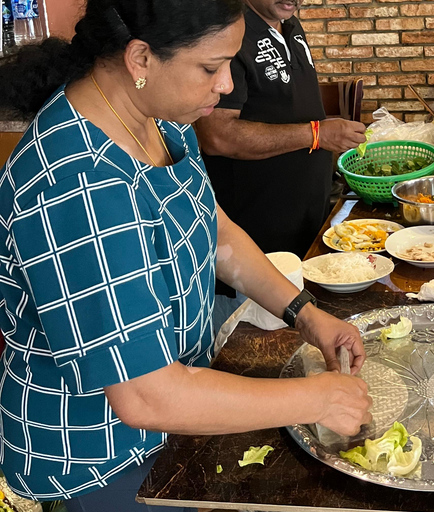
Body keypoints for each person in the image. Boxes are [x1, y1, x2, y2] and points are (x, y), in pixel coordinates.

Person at [0, 1, 372, 510]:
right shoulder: (78, 183)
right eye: (210, 67)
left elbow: (213, 228)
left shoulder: (161, 120)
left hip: (181, 413)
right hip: (99, 461)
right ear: (140, 59)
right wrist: (317, 398)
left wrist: (305, 313)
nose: (224, 85)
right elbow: (146, 395)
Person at [194, 0, 368, 332]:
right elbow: (218, 135)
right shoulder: (232, 30)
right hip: (252, 251)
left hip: (303, 232)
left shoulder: (290, 25)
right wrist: (316, 134)